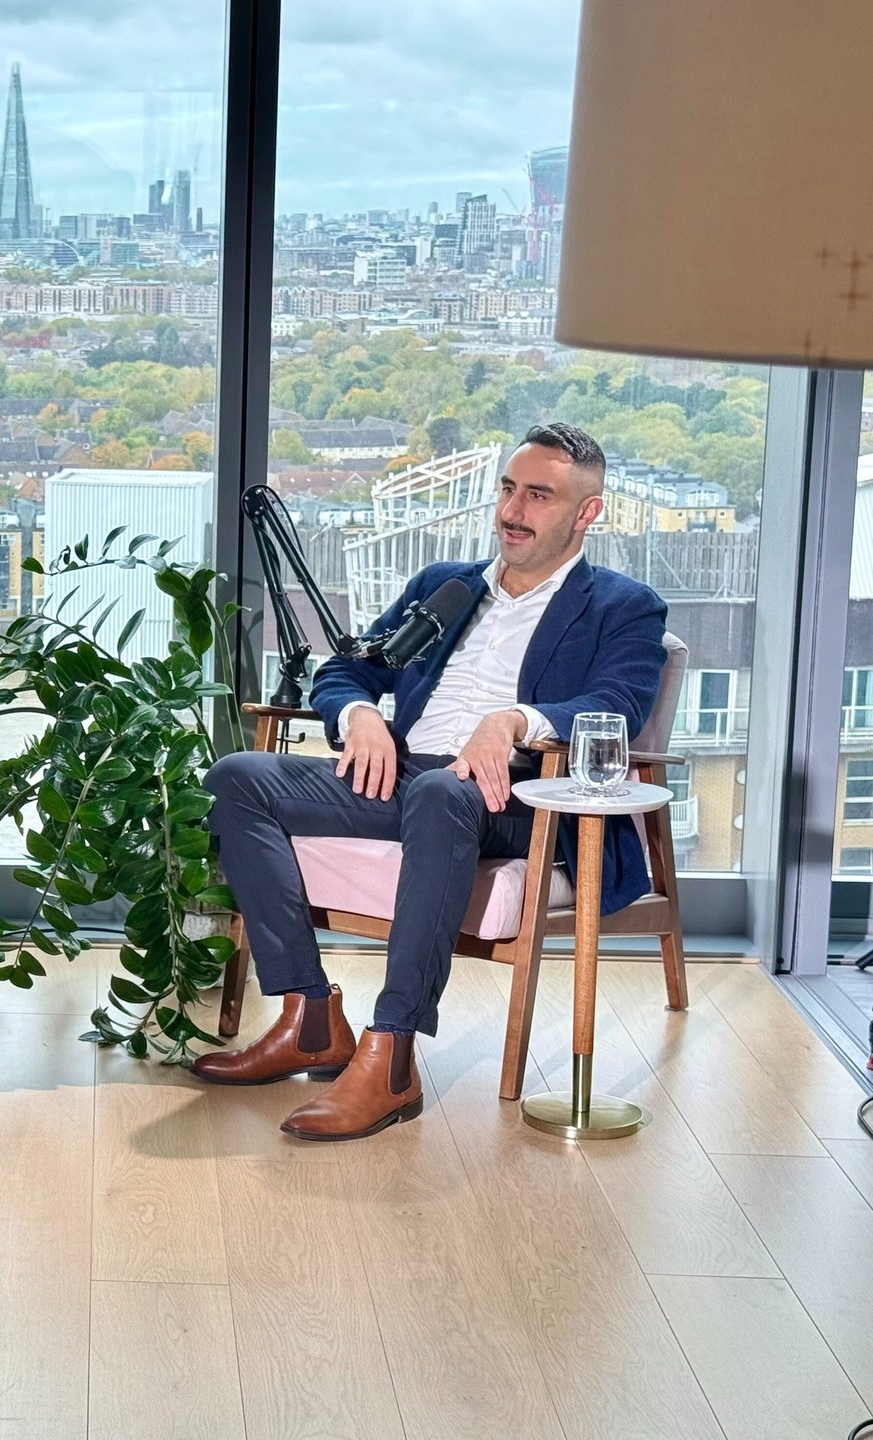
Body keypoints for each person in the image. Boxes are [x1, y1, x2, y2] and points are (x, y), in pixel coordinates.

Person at [194, 423, 666, 1141]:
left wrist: (513, 721)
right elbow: (347, 668)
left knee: (444, 791)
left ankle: (392, 1056)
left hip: (514, 796)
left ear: (587, 513)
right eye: (508, 488)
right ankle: (310, 1017)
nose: (513, 509)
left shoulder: (622, 605)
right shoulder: (443, 587)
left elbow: (616, 708)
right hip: (403, 777)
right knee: (237, 778)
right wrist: (358, 715)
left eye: (539, 495)